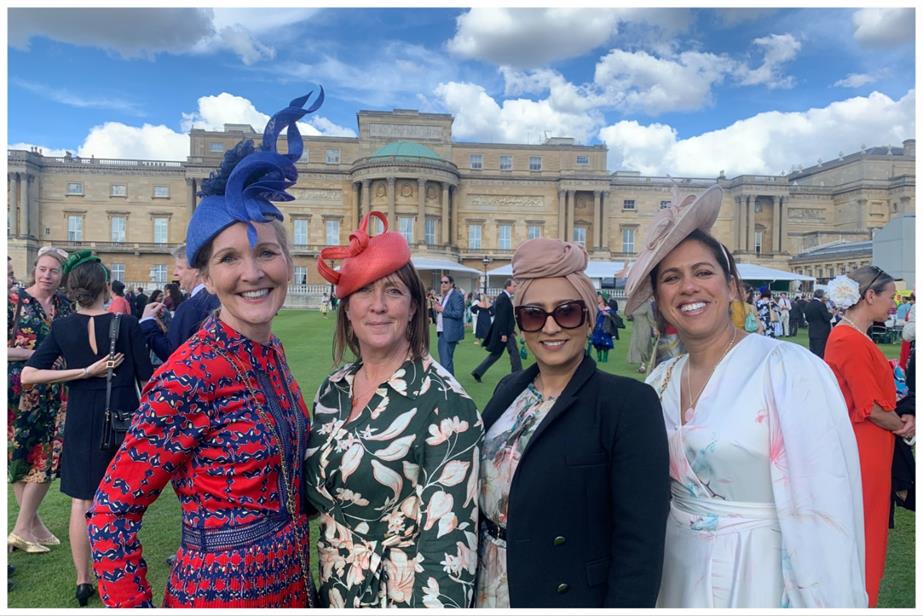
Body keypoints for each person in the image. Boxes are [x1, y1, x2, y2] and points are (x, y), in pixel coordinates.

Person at [87, 92, 324, 608]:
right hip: (217, 596)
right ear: (208, 277)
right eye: (229, 259)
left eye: (266, 252)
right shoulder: (189, 374)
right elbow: (110, 511)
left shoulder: (271, 351)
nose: (253, 273)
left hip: (291, 590)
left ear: (288, 260)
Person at [626, 184, 866, 608]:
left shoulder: (789, 369)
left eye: (703, 273)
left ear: (732, 286)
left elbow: (827, 504)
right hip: (673, 573)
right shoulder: (658, 382)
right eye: (671, 277)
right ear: (659, 300)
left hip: (762, 572)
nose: (688, 288)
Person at [476, 238, 669, 608]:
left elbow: (640, 546)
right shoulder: (509, 389)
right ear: (520, 324)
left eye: (566, 312)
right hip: (489, 583)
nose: (551, 328)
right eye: (534, 314)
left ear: (589, 317)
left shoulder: (627, 404)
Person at [309, 210, 483, 608]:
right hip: (333, 593)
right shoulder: (333, 390)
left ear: (414, 308)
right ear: (347, 311)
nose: (379, 306)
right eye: (365, 291)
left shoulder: (446, 402)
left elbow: (450, 551)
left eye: (393, 291)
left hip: (401, 598)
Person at [21, 250, 153, 606]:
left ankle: (84, 580)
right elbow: (147, 377)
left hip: (80, 418)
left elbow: (31, 374)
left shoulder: (63, 327)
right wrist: (89, 370)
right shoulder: (126, 324)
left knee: (83, 501)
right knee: (119, 498)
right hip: (123, 418)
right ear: (105, 287)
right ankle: (115, 571)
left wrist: (80, 374)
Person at [823, 267, 915, 607]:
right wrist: (902, 424)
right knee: (867, 532)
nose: (895, 304)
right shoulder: (848, 339)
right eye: (890, 296)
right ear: (870, 296)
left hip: (871, 443)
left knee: (869, 529)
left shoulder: (852, 337)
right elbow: (871, 407)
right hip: (865, 446)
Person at [7, 245, 73, 555]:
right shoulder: (13, 301)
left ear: (62, 275)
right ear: (35, 269)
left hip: (55, 391)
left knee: (46, 457)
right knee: (23, 456)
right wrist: (33, 355)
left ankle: (27, 527)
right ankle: (27, 527)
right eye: (42, 269)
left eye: (54, 270)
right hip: (18, 391)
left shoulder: (65, 305)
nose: (47, 275)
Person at [140, 243, 220, 362]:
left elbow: (172, 353)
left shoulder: (191, 307)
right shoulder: (218, 297)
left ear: (196, 270)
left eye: (179, 268)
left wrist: (147, 322)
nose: (175, 273)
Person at [472, 278, 522, 383]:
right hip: (503, 333)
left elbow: (506, 317)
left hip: (506, 331)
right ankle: (517, 374)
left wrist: (511, 330)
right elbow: (502, 317)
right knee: (513, 353)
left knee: (497, 354)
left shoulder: (504, 298)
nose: (515, 288)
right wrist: (504, 333)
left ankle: (478, 372)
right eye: (514, 286)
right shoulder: (503, 298)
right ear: (508, 287)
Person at [433, 273, 465, 374]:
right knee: (445, 361)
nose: (443, 284)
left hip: (449, 333)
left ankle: (449, 385)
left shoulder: (456, 295)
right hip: (443, 331)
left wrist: (442, 310)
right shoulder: (447, 295)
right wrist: (439, 308)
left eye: (446, 282)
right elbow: (445, 312)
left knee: (445, 362)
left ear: (451, 284)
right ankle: (450, 384)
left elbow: (459, 313)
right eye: (441, 282)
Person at [627, 298, 655, 373]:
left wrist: (654, 328)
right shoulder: (634, 306)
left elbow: (651, 317)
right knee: (637, 346)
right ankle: (641, 364)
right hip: (636, 328)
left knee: (643, 346)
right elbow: (630, 318)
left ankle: (644, 364)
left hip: (645, 328)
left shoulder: (647, 305)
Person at [803, 288, 833, 357]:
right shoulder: (821, 305)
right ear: (822, 296)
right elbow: (827, 317)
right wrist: (831, 313)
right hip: (822, 332)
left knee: (813, 351)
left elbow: (807, 318)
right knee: (820, 352)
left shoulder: (808, 304)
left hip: (812, 330)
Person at [589, 292, 614, 362]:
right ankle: (599, 358)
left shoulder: (608, 309)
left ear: (603, 299)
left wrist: (607, 314)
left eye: (599, 298)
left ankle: (605, 359)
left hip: (605, 328)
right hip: (597, 328)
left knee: (606, 343)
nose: (598, 299)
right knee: (597, 343)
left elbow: (614, 317)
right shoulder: (596, 308)